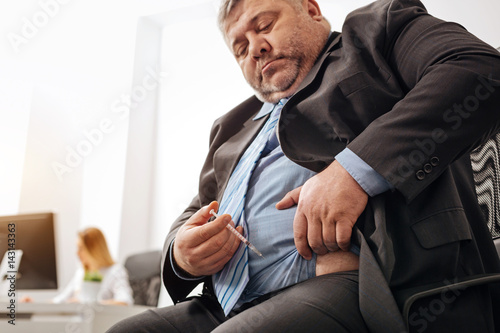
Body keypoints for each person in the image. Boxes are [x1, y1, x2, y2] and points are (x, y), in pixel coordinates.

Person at [108, 0, 500, 332]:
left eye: (264, 25)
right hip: (225, 303)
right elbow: (197, 207)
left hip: (366, 283)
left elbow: (478, 68)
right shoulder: (230, 126)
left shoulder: (376, 33)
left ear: (311, 9)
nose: (255, 48)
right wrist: (180, 252)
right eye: (240, 48)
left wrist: (355, 170)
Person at [52, 227, 134, 305]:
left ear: (93, 250)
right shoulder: (81, 272)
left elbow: (125, 301)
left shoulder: (115, 271)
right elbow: (60, 300)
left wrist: (88, 304)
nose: (77, 253)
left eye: (81, 248)